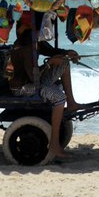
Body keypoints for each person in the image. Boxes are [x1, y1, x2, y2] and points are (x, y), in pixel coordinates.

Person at [9, 11, 80, 159]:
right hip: (23, 86)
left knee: (64, 64)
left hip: (35, 80)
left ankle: (72, 103)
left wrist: (67, 53)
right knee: (59, 98)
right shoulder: (25, 47)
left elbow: (52, 51)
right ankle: (53, 144)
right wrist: (50, 63)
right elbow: (32, 77)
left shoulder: (36, 42)